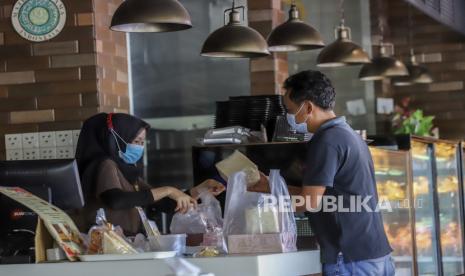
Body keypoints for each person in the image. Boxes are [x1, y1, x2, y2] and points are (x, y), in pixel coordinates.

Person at [250, 70, 394, 276]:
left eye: (290, 110)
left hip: (351, 259)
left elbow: (309, 202)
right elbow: (325, 194)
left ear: (308, 106)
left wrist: (262, 211)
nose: (288, 117)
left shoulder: (326, 140)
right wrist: (272, 186)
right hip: (373, 256)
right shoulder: (347, 134)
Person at [74, 113, 225, 235]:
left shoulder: (127, 171)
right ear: (116, 139)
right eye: (136, 141)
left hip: (125, 243)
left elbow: (163, 202)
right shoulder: (105, 165)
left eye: (142, 143)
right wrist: (168, 189)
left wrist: (200, 189)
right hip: (104, 244)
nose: (139, 147)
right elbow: (116, 200)